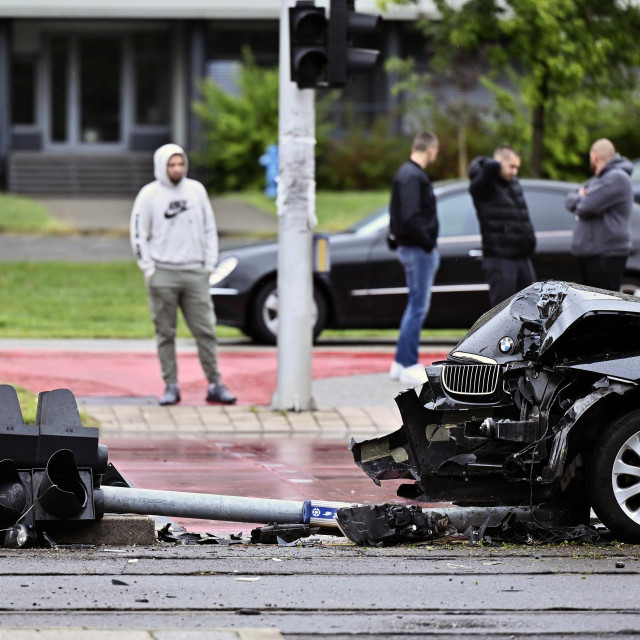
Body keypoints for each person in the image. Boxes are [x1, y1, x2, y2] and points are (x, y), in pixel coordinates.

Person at [130, 143, 236, 406]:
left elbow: (210, 229)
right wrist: (149, 269)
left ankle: (215, 384)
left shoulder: (196, 191)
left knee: (206, 330)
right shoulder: (149, 195)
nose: (177, 169)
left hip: (195, 272)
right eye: (171, 164)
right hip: (163, 273)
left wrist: (208, 265)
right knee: (165, 332)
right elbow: (138, 234)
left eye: (180, 164)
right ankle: (171, 386)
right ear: (162, 166)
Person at [388, 131, 441, 386]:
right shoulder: (413, 176)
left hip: (412, 247)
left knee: (413, 305)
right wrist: (428, 242)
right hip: (418, 249)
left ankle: (399, 362)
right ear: (431, 149)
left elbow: (396, 214)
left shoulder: (404, 174)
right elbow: (409, 216)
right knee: (418, 307)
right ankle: (408, 363)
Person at [468, 146, 537, 307]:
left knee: (531, 308)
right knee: (502, 312)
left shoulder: (512, 184)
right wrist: (494, 164)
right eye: (511, 166)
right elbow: (488, 171)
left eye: (517, 167)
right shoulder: (485, 184)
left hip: (522, 257)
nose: (515, 172)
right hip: (500, 259)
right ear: (498, 165)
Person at [565, 138, 633, 291]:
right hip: (594, 254)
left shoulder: (616, 177)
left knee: (605, 307)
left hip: (606, 255)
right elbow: (569, 199)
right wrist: (583, 196)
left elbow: (585, 206)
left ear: (595, 156)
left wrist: (583, 196)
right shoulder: (599, 179)